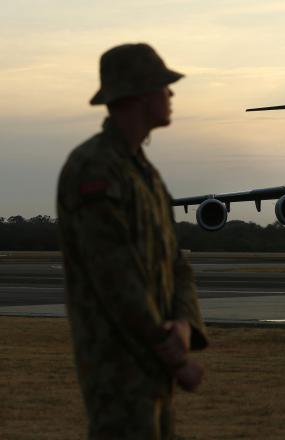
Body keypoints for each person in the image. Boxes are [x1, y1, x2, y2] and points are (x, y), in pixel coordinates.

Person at [56, 43, 208, 440]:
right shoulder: (94, 169)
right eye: (164, 86)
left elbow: (177, 262)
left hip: (153, 370)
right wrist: (175, 356)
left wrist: (185, 325)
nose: (171, 95)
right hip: (118, 369)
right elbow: (117, 280)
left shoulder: (145, 174)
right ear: (140, 95)